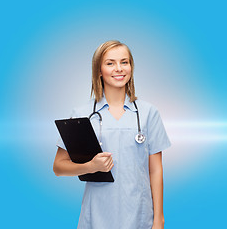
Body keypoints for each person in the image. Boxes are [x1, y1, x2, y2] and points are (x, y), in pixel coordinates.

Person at [53, 40, 171, 229]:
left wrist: (159, 218)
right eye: (110, 63)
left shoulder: (148, 113)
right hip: (97, 213)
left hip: (139, 214)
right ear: (99, 70)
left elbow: (155, 170)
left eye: (124, 62)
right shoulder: (82, 114)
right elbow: (59, 167)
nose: (119, 68)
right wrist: (90, 166)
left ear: (131, 67)